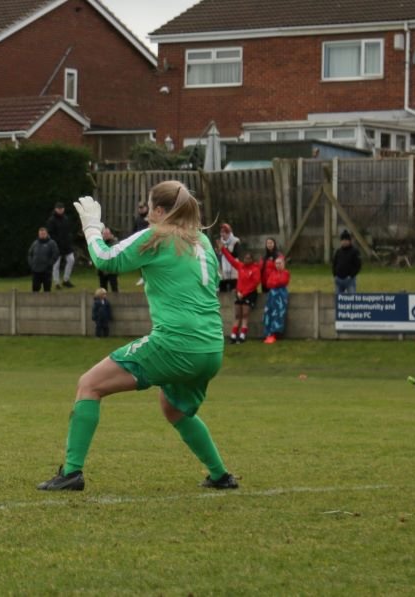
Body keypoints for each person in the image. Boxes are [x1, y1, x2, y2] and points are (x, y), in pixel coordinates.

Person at [37, 183, 237, 491]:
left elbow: (106, 259)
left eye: (149, 209)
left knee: (89, 385)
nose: (147, 218)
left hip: (176, 343)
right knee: (174, 408)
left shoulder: (157, 236)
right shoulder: (203, 242)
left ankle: (71, 473)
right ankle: (220, 475)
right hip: (211, 348)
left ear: (158, 211)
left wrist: (91, 226)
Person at [219, 246, 260, 344]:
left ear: (252, 259)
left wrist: (244, 293)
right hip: (239, 293)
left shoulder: (255, 269)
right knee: (237, 315)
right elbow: (231, 260)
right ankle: (233, 335)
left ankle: (242, 335)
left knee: (245, 315)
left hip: (249, 294)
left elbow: (255, 283)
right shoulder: (240, 266)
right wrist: (223, 249)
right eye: (245, 258)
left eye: (248, 258)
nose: (246, 260)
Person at [261, 256, 290, 344]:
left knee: (278, 314)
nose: (278, 265)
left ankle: (274, 334)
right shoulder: (273, 273)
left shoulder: (286, 273)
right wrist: (276, 282)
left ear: (283, 264)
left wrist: (275, 282)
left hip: (281, 297)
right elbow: (268, 283)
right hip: (272, 297)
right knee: (269, 313)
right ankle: (268, 333)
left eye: (279, 263)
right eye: (276, 263)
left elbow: (283, 281)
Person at [46, 202, 75, 289]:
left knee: (71, 260)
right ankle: (57, 282)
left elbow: (68, 231)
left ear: (64, 209)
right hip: (56, 245)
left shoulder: (66, 218)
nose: (60, 210)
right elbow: (50, 234)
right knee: (56, 264)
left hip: (66, 244)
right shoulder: (51, 220)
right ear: (55, 209)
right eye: (59, 208)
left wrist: (69, 240)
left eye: (62, 208)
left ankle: (66, 280)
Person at [28, 226, 60, 293]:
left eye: (43, 234)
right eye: (40, 234)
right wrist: (31, 264)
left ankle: (47, 303)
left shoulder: (52, 243)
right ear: (38, 234)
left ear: (46, 234)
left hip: (46, 271)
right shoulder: (35, 243)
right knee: (35, 289)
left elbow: (56, 254)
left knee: (47, 290)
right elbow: (30, 254)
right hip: (36, 270)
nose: (42, 235)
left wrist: (50, 264)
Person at [332, 229, 361, 294]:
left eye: (346, 240)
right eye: (343, 240)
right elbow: (334, 263)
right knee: (338, 300)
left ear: (349, 241)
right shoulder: (338, 252)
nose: (344, 242)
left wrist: (351, 275)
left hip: (349, 280)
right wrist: (335, 275)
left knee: (352, 299)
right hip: (338, 280)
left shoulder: (354, 252)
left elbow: (358, 265)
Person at [217, 223, 241, 294]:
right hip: (223, 268)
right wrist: (218, 251)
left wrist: (225, 249)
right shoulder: (221, 242)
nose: (222, 234)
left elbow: (236, 254)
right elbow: (219, 255)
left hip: (233, 267)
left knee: (233, 286)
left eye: (224, 232)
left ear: (228, 233)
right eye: (221, 232)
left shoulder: (235, 241)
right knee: (223, 287)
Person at [96, 227, 119, 292]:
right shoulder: (100, 243)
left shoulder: (115, 243)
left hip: (112, 269)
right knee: (102, 288)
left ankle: (116, 300)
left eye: (107, 234)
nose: (105, 236)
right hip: (102, 269)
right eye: (104, 234)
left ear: (111, 234)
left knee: (114, 287)